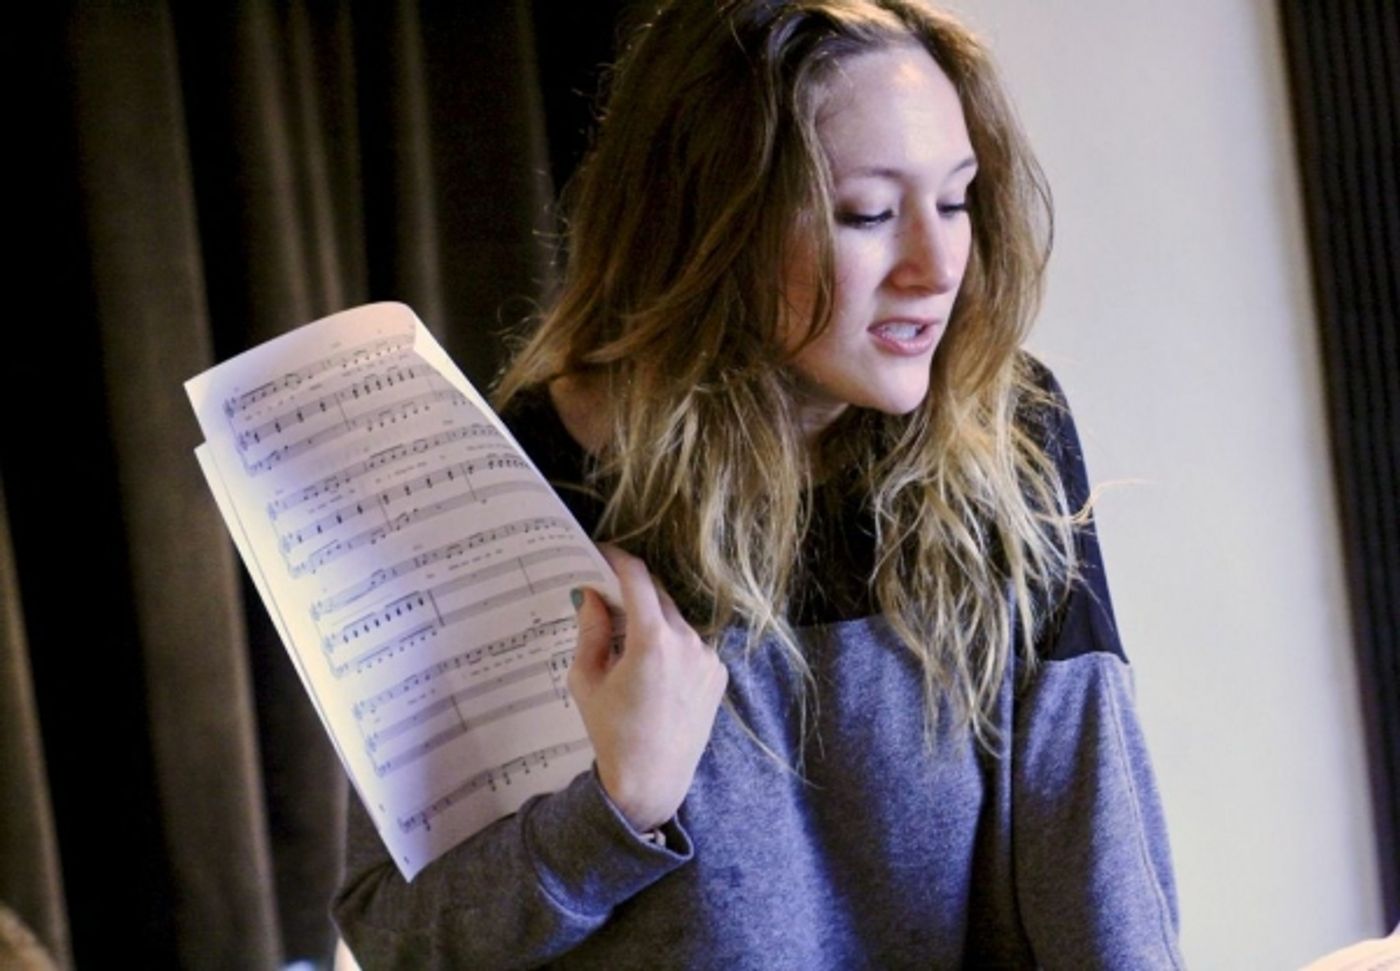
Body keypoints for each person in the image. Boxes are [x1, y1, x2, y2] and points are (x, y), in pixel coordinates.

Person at [333, 1, 1185, 967]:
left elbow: (1096, 859)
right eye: (867, 212)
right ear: (706, 225)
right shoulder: (514, 486)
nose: (940, 265)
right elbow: (399, 938)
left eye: (955, 200)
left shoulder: (1008, 431)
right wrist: (619, 808)